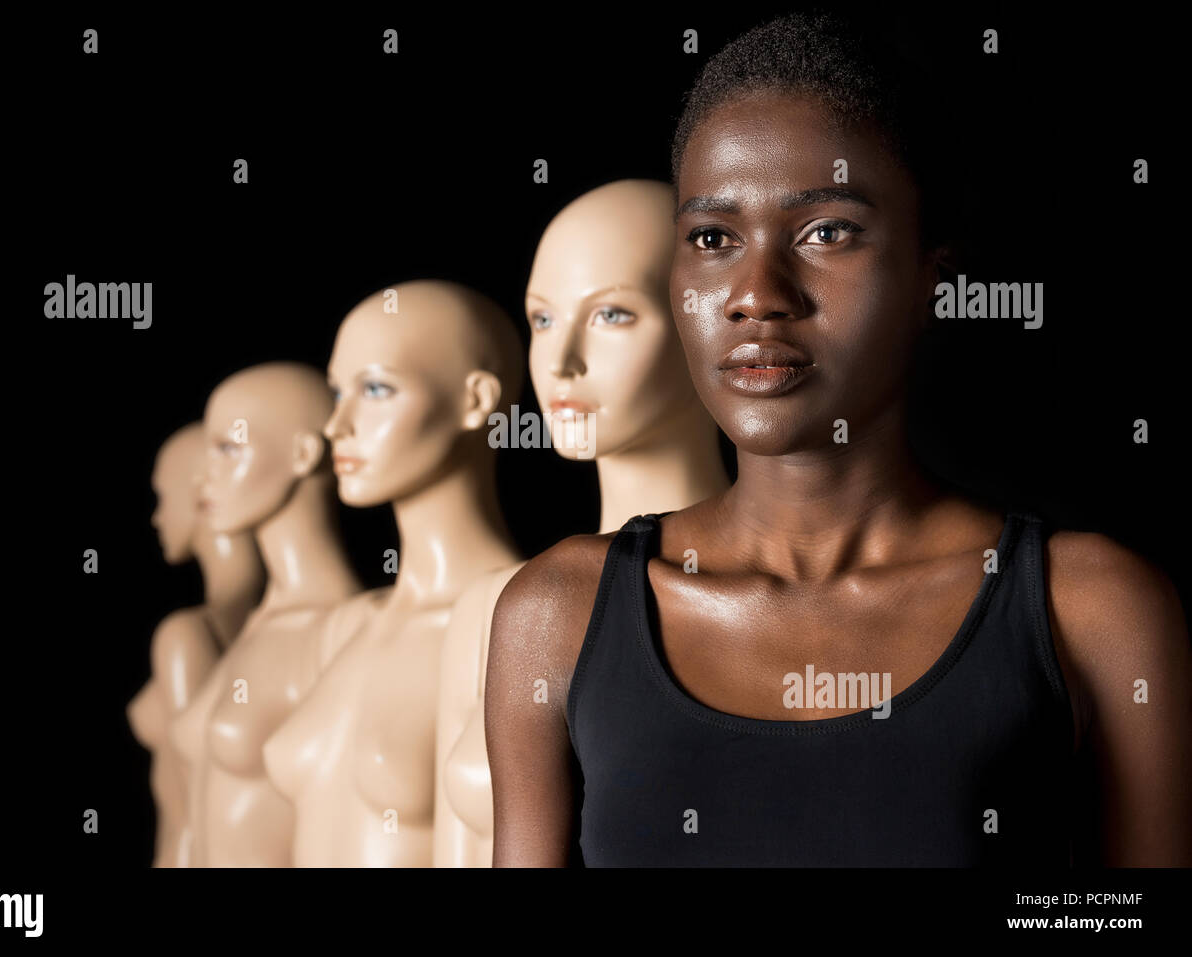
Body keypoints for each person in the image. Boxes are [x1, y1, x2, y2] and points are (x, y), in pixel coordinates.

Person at [485, 12, 1192, 866]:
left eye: (827, 232)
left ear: (935, 271)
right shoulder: (555, 613)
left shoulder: (1088, 606)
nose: (756, 293)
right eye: (713, 238)